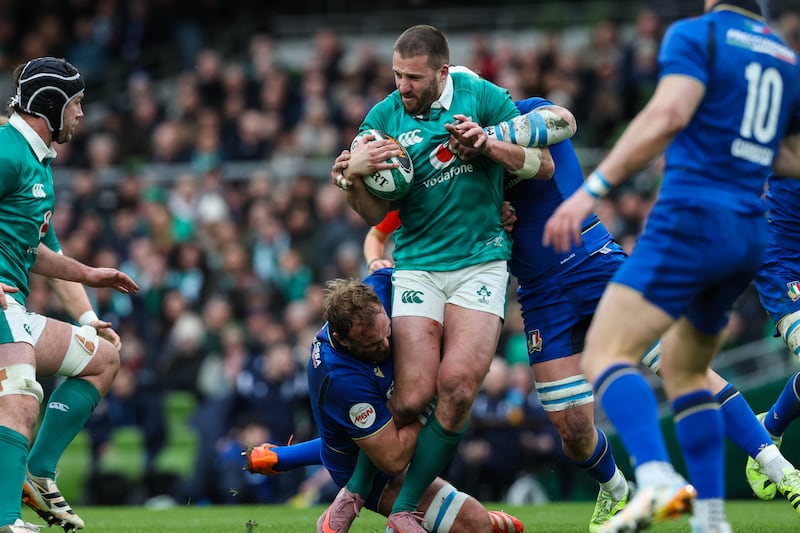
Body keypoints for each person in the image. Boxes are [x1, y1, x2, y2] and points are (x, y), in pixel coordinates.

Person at [542, 2, 800, 532]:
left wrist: (591, 190)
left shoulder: (698, 35)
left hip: (691, 219)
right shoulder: (782, 55)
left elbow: (667, 115)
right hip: (750, 233)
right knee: (684, 371)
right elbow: (790, 158)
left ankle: (657, 479)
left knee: (606, 350)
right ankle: (709, 517)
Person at [332, 24, 552, 533]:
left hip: (482, 260)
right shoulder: (383, 117)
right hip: (417, 266)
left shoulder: (483, 97)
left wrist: (490, 147)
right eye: (396, 75)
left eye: (412, 77)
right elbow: (371, 213)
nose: (402, 86)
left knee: (455, 388)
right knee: (410, 396)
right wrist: (351, 178)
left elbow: (542, 166)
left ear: (442, 73)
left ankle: (406, 509)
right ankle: (354, 490)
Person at [246, 268, 524, 533]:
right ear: (343, 340)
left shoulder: (383, 285)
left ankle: (280, 458)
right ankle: (353, 490)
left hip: (366, 430)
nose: (386, 346)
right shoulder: (340, 378)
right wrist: (434, 396)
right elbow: (392, 456)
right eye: (372, 345)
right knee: (475, 524)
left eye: (386, 332)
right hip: (364, 461)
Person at [0, 57, 139, 533]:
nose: (81, 114)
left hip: (13, 308)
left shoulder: (35, 161)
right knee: (18, 394)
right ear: (52, 105)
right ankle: (6, 520)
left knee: (101, 358)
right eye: (77, 103)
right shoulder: (6, 151)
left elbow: (39, 251)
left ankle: (36, 474)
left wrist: (88, 294)